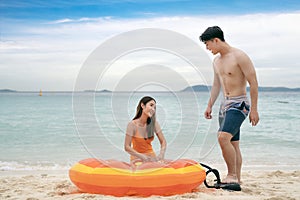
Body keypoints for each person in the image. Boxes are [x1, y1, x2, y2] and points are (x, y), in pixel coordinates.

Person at [199, 26, 259, 184]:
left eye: (207, 44)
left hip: (239, 104)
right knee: (233, 144)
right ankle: (237, 179)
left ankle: (231, 175)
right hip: (224, 106)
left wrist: (254, 109)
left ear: (216, 40)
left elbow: (253, 83)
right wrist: (209, 105)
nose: (207, 48)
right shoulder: (216, 61)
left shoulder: (239, 56)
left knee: (222, 137)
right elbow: (216, 85)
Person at [124, 96, 167, 164]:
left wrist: (161, 154)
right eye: (151, 105)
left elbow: (163, 141)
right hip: (137, 158)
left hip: (151, 157)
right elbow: (127, 147)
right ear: (142, 105)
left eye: (154, 108)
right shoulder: (132, 125)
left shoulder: (154, 124)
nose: (153, 109)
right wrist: (142, 156)